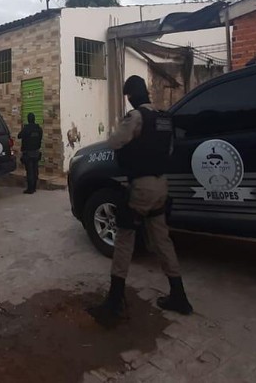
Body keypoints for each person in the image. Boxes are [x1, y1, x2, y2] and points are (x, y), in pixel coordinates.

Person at [88, 75, 193, 323]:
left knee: (124, 239)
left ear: (132, 95)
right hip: (161, 186)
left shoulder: (136, 117)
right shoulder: (164, 118)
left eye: (128, 96)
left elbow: (115, 142)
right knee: (162, 240)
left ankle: (114, 301)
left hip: (142, 187)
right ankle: (179, 295)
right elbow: (168, 150)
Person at [17, 113, 43, 194]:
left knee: (30, 171)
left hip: (28, 153)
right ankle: (34, 187)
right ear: (34, 119)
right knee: (35, 170)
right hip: (36, 152)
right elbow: (40, 138)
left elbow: (19, 136)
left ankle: (30, 189)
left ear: (28, 119)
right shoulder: (39, 129)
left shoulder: (26, 129)